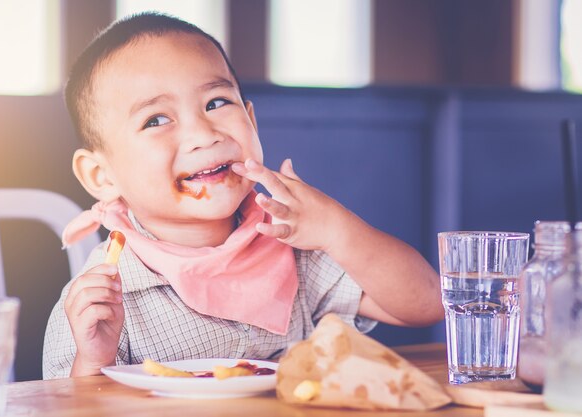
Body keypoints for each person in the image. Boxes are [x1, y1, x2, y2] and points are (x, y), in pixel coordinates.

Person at [42, 12, 443, 379]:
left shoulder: (289, 242)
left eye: (216, 102)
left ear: (251, 121)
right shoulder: (102, 297)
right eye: (156, 119)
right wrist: (94, 359)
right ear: (101, 175)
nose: (204, 133)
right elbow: (63, 404)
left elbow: (428, 304)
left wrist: (339, 231)